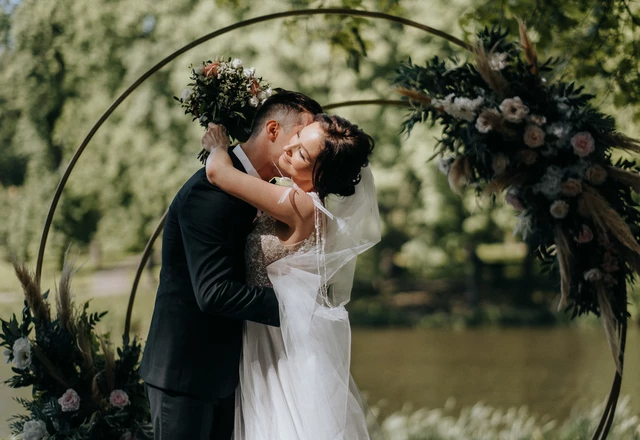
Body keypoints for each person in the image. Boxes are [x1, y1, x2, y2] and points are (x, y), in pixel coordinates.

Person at [139, 90, 323, 440]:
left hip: (234, 372)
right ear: (273, 130)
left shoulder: (260, 189)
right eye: (298, 135)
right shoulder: (209, 193)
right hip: (187, 374)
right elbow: (213, 293)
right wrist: (295, 306)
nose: (301, 147)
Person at [202, 113, 381, 439]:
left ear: (321, 173)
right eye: (297, 138)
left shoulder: (298, 204)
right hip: (276, 341)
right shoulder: (312, 208)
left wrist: (218, 145)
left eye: (301, 153)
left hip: (275, 352)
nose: (288, 148)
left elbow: (217, 173)